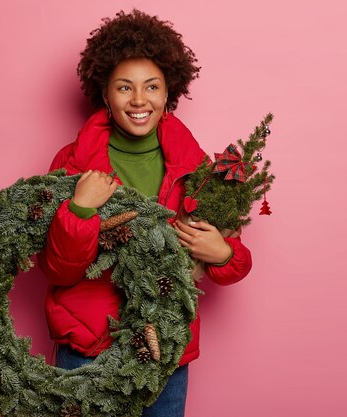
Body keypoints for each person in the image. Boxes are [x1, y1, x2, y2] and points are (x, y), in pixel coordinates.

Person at [37, 9, 252, 417]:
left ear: (169, 90)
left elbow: (236, 261)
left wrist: (222, 253)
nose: (139, 100)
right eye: (124, 87)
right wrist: (80, 209)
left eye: (151, 87)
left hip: (165, 353)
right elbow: (57, 270)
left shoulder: (198, 170)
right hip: (88, 349)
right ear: (105, 93)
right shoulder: (71, 164)